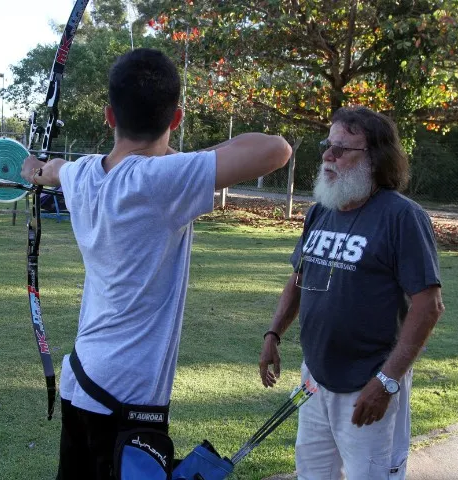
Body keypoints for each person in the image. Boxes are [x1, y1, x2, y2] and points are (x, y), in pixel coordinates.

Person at [21, 48, 292, 480]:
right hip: (127, 395)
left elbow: (51, 169)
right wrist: (186, 160)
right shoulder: (162, 180)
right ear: (177, 118)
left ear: (110, 116)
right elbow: (275, 149)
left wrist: (34, 168)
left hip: (84, 379)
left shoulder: (84, 173)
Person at [258, 106, 445, 480]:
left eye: (343, 149)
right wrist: (273, 333)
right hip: (315, 377)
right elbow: (299, 278)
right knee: (311, 475)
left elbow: (429, 306)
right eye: (328, 145)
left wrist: (387, 381)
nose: (329, 155)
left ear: (375, 158)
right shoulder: (320, 212)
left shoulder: (402, 217)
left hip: (370, 383)